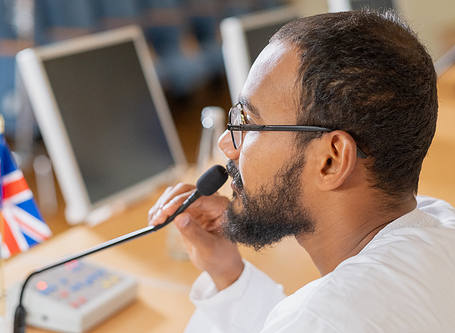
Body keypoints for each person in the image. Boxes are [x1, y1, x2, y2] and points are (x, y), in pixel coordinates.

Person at [148, 9, 455, 332]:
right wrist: (229, 275)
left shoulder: (323, 319)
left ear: (331, 160)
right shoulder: (442, 223)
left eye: (249, 124)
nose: (228, 145)